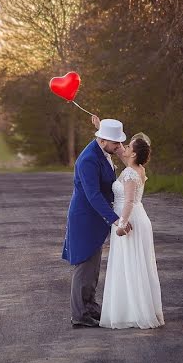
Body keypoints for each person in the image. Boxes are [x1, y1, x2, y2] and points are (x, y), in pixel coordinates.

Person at [62, 117, 132, 328]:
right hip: (85, 218)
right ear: (103, 141)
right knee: (84, 265)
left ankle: (90, 306)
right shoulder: (88, 160)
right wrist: (116, 219)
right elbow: (92, 195)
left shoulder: (102, 149)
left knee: (93, 267)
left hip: (95, 218)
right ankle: (79, 314)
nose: (119, 147)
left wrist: (100, 126)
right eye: (116, 143)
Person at [99, 131, 164, 329]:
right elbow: (120, 151)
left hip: (129, 220)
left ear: (134, 154)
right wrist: (102, 128)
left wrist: (121, 225)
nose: (123, 148)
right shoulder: (139, 169)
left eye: (128, 146)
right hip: (141, 217)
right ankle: (139, 309)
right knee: (137, 264)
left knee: (129, 264)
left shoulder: (128, 173)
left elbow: (127, 201)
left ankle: (132, 312)